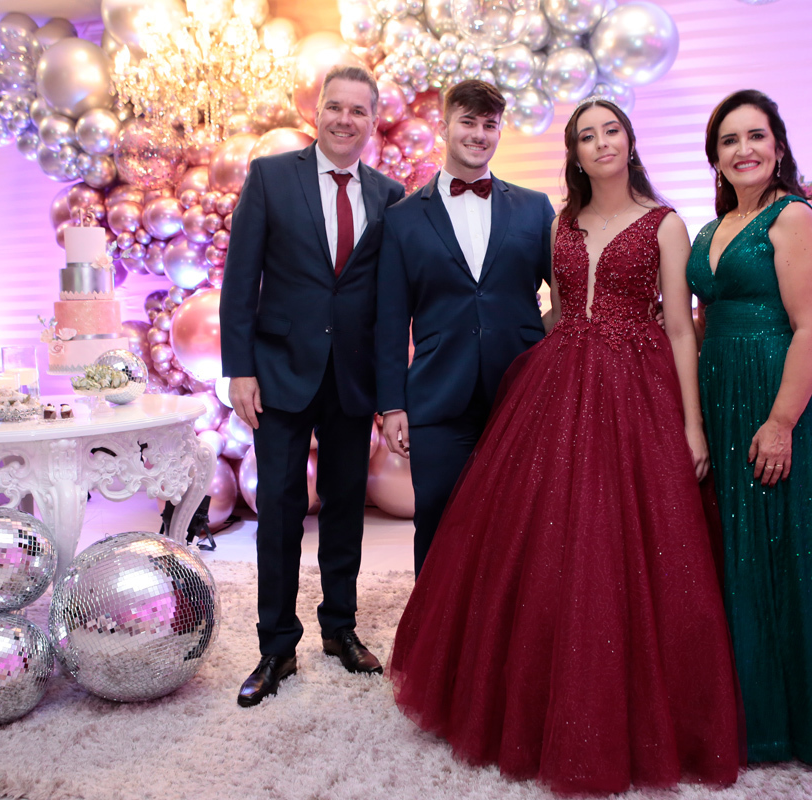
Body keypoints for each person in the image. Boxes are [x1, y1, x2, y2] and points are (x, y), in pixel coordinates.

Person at [388, 97, 743, 794]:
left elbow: (680, 328)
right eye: (587, 136)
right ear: (574, 154)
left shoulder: (666, 223)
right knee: (541, 536)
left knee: (627, 541)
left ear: (630, 141)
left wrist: (692, 424)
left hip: (636, 388)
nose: (601, 143)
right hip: (559, 379)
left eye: (612, 131)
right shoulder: (560, 223)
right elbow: (554, 308)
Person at [220, 65, 405, 707]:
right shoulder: (271, 177)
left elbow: (390, 301)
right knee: (278, 511)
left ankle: (340, 628)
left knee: (346, 507)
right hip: (279, 372)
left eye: (358, 110)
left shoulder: (390, 194)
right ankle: (276, 646)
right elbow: (240, 278)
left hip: (353, 376)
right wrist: (239, 369)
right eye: (335, 107)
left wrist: (392, 391)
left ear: (372, 120)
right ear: (317, 112)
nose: (344, 119)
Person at [685, 89, 812, 766]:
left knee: (783, 548)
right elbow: (701, 319)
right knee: (731, 550)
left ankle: (796, 719)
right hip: (719, 392)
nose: (744, 150)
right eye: (729, 140)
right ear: (715, 156)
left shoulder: (792, 218)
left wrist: (781, 422)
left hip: (772, 394)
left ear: (778, 145)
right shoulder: (712, 229)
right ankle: (740, 711)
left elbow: (811, 327)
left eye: (755, 136)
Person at [376, 79, 555, 575]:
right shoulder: (402, 220)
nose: (479, 134)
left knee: (519, 524)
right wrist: (392, 404)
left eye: (489, 125)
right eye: (468, 122)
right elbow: (389, 321)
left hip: (520, 391)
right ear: (444, 126)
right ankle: (432, 628)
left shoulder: (535, 207)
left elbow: (568, 291)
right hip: (437, 396)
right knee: (438, 522)